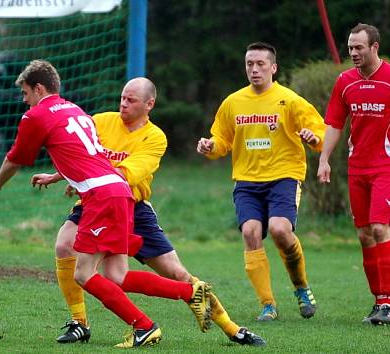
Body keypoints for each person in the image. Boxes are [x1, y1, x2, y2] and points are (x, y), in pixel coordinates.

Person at [0, 60, 212, 348]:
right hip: (118, 193)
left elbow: (15, 158)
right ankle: (190, 292)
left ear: (39, 89)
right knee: (116, 275)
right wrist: (58, 176)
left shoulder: (36, 116)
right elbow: (89, 155)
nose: (24, 101)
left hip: (101, 197)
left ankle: (144, 326)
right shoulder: (74, 110)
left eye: (25, 93)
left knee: (83, 273)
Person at [32, 77, 266, 346]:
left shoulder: (155, 137)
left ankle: (232, 328)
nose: (123, 104)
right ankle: (79, 322)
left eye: (130, 100)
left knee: (175, 273)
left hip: (134, 207)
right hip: (96, 202)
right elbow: (80, 153)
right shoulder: (101, 121)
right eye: (122, 98)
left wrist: (88, 178)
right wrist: (58, 175)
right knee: (65, 245)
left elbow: (127, 174)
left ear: (149, 104)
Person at [196, 42, 325, 322]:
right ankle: (268, 305)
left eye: (260, 64)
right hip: (246, 180)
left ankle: (301, 287)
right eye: (249, 64)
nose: (254, 69)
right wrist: (210, 147)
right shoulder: (233, 102)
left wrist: (314, 139)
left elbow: (320, 131)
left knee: (280, 230)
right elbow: (221, 140)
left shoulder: (289, 100)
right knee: (251, 232)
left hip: (283, 176)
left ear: (273, 68)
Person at [317, 23, 390, 326]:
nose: (352, 52)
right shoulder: (345, 82)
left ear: (374, 47)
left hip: (389, 164)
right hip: (358, 167)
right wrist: (324, 159)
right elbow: (335, 124)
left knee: (380, 229)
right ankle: (378, 302)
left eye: (358, 47)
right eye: (350, 47)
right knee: (365, 235)